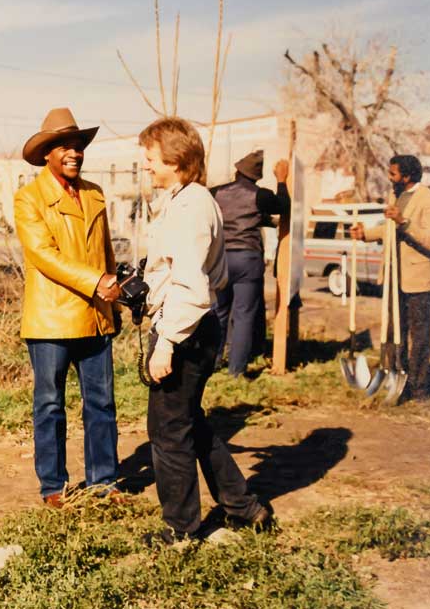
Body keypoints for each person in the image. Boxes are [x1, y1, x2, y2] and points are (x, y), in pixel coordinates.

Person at [139, 117, 271, 543]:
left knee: (168, 432)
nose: (146, 166)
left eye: (151, 159)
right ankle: (242, 506)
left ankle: (180, 529)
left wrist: (167, 343)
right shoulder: (181, 200)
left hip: (187, 329)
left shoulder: (193, 206)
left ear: (175, 161)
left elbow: (191, 285)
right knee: (189, 422)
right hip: (186, 324)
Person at [14, 107, 124, 507]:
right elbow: (44, 254)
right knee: (49, 404)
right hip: (50, 321)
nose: (74, 153)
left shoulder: (95, 194)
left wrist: (115, 300)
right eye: (65, 146)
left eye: (78, 145)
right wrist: (96, 282)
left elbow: (106, 253)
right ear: (47, 153)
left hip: (96, 317)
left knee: (102, 402)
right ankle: (53, 487)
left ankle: (104, 483)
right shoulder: (28, 199)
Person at [350, 155, 430, 402]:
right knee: (392, 332)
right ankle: (395, 381)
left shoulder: (429, 200)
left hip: (418, 278)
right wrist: (365, 234)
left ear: (407, 176)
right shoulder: (395, 195)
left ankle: (419, 387)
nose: (389, 178)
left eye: (393, 174)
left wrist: (404, 222)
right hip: (393, 276)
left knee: (419, 335)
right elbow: (388, 228)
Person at [210, 150, 290, 376]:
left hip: (221, 258)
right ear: (256, 176)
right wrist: (282, 181)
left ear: (237, 171)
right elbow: (284, 206)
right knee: (244, 315)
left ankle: (213, 362)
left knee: (219, 312)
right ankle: (236, 370)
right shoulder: (261, 195)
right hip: (247, 259)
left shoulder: (216, 192)